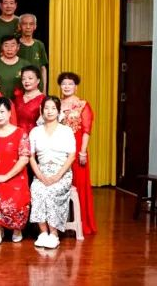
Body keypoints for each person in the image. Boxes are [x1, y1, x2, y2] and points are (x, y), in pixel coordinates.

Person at [0, 97, 31, 245]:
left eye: (2, 111)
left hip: (15, 176)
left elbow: (24, 159)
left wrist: (6, 176)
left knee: (18, 197)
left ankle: (17, 229)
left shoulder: (20, 133)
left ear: (9, 113)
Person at [29, 96, 77, 250]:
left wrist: (57, 176)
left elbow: (72, 156)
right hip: (42, 171)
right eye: (46, 108)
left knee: (52, 191)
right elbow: (31, 157)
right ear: (41, 110)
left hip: (62, 171)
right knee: (37, 190)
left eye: (53, 108)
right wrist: (40, 176)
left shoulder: (66, 131)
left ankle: (54, 234)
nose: (49, 111)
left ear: (58, 111)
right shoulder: (35, 131)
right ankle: (43, 233)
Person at [58, 72, 97, 236]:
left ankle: (81, 223)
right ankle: (62, 223)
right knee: (61, 186)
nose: (66, 86)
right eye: (64, 84)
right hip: (59, 150)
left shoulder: (82, 105)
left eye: (70, 84)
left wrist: (82, 152)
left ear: (76, 87)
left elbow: (86, 130)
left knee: (78, 185)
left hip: (77, 149)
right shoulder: (56, 104)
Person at [17, 13, 48, 87]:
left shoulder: (39, 44)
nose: (28, 27)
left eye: (31, 24)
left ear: (35, 26)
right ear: (19, 26)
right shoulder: (15, 44)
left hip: (37, 87)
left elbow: (43, 68)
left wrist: (44, 88)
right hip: (19, 86)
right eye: (25, 24)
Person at [13, 66, 46, 134]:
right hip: (17, 135)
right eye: (23, 79)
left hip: (34, 136)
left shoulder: (43, 99)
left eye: (30, 78)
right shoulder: (18, 97)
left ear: (38, 80)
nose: (26, 81)